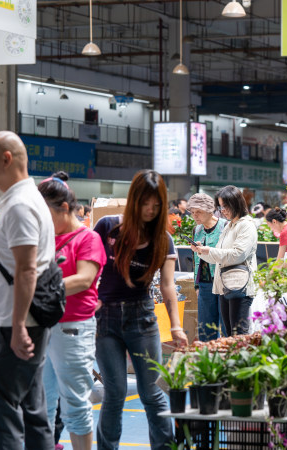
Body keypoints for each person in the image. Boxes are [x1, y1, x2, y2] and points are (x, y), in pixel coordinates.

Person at [94, 170, 187, 450]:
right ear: (134, 200)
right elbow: (89, 268)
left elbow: (168, 286)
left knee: (151, 392)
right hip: (105, 318)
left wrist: (175, 325)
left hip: (142, 317)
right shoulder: (107, 227)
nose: (150, 210)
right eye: (146, 203)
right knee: (115, 393)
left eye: (156, 205)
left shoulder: (163, 240)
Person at [0, 131, 56, 449]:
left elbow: (27, 269)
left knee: (4, 415)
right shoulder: (24, 200)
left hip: (17, 324)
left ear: (6, 159)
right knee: (32, 413)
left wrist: (19, 325)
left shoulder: (20, 205)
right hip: (22, 323)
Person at [37, 172, 106, 450]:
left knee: (75, 404)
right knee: (41, 404)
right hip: (42, 326)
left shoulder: (88, 239)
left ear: (64, 208)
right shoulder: (46, 239)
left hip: (73, 327)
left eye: (45, 214)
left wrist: (39, 288)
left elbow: (84, 279)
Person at [192, 185, 257, 337]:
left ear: (237, 204)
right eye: (221, 207)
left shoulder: (246, 225)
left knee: (238, 334)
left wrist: (210, 251)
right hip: (225, 285)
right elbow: (218, 257)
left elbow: (238, 254)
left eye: (226, 206)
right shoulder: (229, 226)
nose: (223, 211)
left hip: (239, 286)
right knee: (228, 334)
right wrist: (202, 252)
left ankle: (240, 361)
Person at [189, 193, 226, 342]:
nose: (195, 216)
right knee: (206, 328)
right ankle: (208, 360)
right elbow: (195, 259)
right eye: (192, 212)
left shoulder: (225, 226)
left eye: (198, 211)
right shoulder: (196, 230)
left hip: (223, 282)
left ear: (210, 210)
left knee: (225, 326)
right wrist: (196, 285)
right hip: (204, 284)